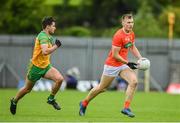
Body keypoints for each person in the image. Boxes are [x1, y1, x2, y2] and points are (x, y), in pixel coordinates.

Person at [79, 13, 142, 118]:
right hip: (112, 65)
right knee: (101, 88)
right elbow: (115, 55)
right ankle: (84, 103)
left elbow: (132, 47)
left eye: (132, 22)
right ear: (123, 23)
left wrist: (140, 58)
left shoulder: (131, 33)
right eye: (128, 22)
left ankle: (126, 108)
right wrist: (128, 63)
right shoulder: (118, 35)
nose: (131, 24)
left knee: (134, 82)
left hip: (122, 64)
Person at [10, 16, 64, 115]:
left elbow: (46, 52)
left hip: (46, 67)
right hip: (35, 68)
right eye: (53, 26)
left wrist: (54, 46)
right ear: (47, 26)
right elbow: (44, 52)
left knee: (60, 79)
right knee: (27, 89)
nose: (55, 28)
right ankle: (14, 100)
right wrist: (56, 46)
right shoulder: (42, 36)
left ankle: (51, 99)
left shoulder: (50, 37)